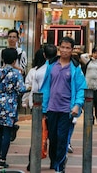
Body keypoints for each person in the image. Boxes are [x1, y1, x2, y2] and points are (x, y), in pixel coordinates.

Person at [39, 37, 85, 173]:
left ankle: (60, 166)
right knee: (52, 137)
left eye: (68, 48)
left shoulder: (76, 67)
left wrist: (77, 105)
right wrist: (43, 106)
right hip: (51, 107)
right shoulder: (51, 64)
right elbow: (45, 86)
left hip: (67, 109)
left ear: (72, 50)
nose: (64, 50)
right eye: (62, 47)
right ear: (59, 48)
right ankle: (56, 161)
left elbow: (81, 87)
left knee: (62, 137)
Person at [0, 48, 27, 168]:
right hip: (10, 106)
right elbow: (21, 89)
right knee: (7, 131)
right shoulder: (16, 74)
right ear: (15, 60)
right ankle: (3, 159)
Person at [83, 48, 97, 124]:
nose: (96, 55)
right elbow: (82, 56)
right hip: (88, 83)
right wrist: (88, 55)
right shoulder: (88, 61)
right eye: (94, 53)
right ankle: (91, 116)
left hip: (96, 83)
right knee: (89, 101)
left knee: (96, 101)